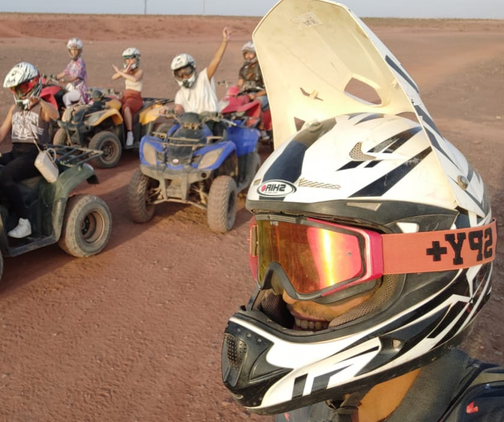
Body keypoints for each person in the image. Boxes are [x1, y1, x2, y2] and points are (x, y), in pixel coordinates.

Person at [221, 112, 503, 422]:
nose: (288, 295)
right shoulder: (302, 402)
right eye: (277, 254)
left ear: (432, 270)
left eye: (325, 263)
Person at [0, 62, 59, 239]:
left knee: (6, 175)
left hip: (34, 155)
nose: (19, 93)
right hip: (16, 152)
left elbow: (55, 115)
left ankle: (25, 222)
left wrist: (41, 100)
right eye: (15, 89)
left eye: (23, 87)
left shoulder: (42, 108)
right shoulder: (15, 108)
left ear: (33, 84)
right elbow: (2, 133)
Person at [172, 27, 230, 115]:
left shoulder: (204, 78)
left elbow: (216, 60)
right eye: (180, 74)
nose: (184, 76)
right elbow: (178, 108)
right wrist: (170, 112)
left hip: (212, 122)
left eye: (186, 71)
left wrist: (225, 41)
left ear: (193, 67)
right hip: (193, 126)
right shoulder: (180, 94)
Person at [111, 47, 144, 146]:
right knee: (112, 104)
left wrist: (121, 72)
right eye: (127, 59)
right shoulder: (125, 70)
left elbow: (134, 79)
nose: (129, 61)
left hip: (135, 97)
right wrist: (123, 72)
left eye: (131, 58)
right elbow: (113, 77)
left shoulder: (140, 71)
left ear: (136, 59)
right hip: (125, 95)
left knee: (126, 107)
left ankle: (130, 133)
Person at [237, 40, 269, 141]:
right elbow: (239, 84)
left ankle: (262, 129)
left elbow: (268, 87)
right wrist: (234, 93)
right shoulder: (244, 68)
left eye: (251, 53)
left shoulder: (261, 68)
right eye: (246, 54)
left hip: (263, 95)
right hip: (248, 94)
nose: (248, 56)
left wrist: (256, 95)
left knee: (256, 103)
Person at [55, 37, 90, 108]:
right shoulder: (71, 63)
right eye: (72, 50)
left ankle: (70, 115)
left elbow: (76, 77)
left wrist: (66, 81)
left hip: (80, 90)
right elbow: (64, 73)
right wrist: (51, 77)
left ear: (79, 51)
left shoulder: (80, 63)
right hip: (71, 88)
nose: (73, 52)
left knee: (66, 97)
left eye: (75, 50)